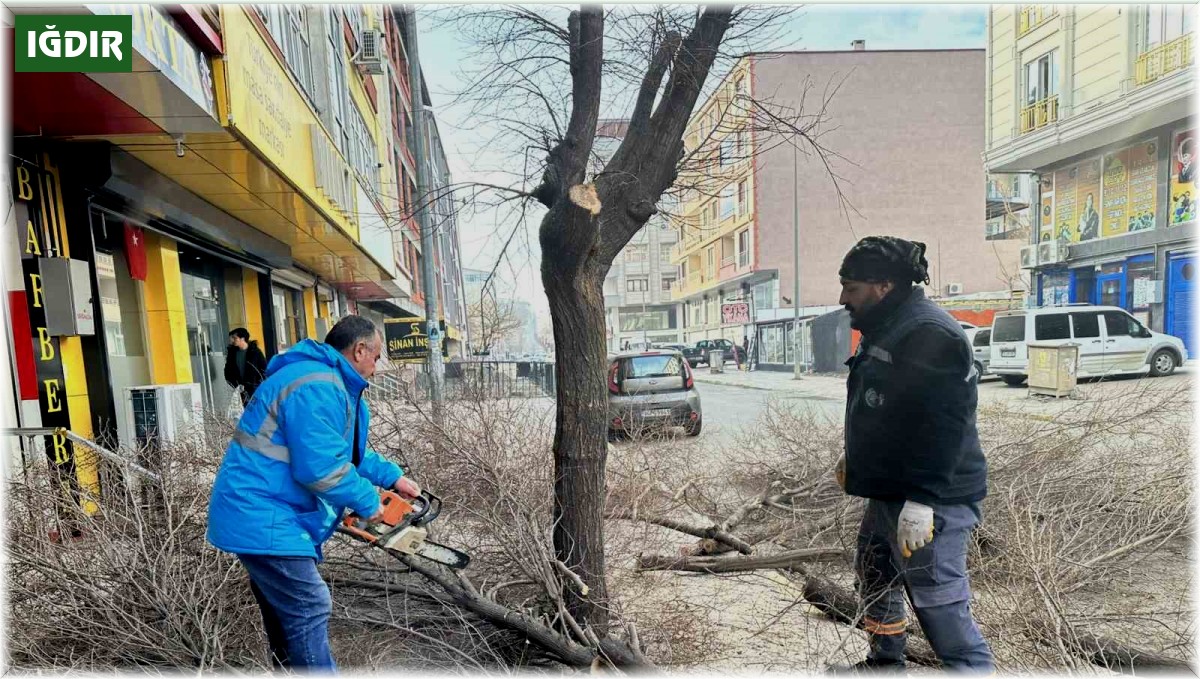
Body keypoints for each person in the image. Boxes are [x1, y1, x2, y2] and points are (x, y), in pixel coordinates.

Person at [207, 315, 422, 671]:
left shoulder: (325, 381)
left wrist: (392, 477)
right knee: (310, 605)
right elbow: (320, 468)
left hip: (266, 510)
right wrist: (370, 503)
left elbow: (342, 451)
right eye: (376, 356)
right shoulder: (319, 386)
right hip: (263, 512)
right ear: (359, 350)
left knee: (285, 615)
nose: (377, 365)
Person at [832, 236, 992, 673]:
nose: (843, 297)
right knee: (875, 570)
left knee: (939, 602)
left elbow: (944, 425)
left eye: (852, 287)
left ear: (883, 286)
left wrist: (922, 500)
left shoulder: (928, 333)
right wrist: (856, 458)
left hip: (931, 499)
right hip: (890, 492)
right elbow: (886, 405)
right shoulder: (888, 324)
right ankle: (885, 663)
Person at [224, 327, 268, 406]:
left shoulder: (255, 352)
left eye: (235, 338)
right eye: (232, 338)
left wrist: (258, 384)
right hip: (240, 390)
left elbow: (264, 369)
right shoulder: (232, 353)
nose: (232, 340)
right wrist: (235, 385)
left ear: (242, 338)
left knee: (256, 409)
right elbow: (228, 371)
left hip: (255, 389)